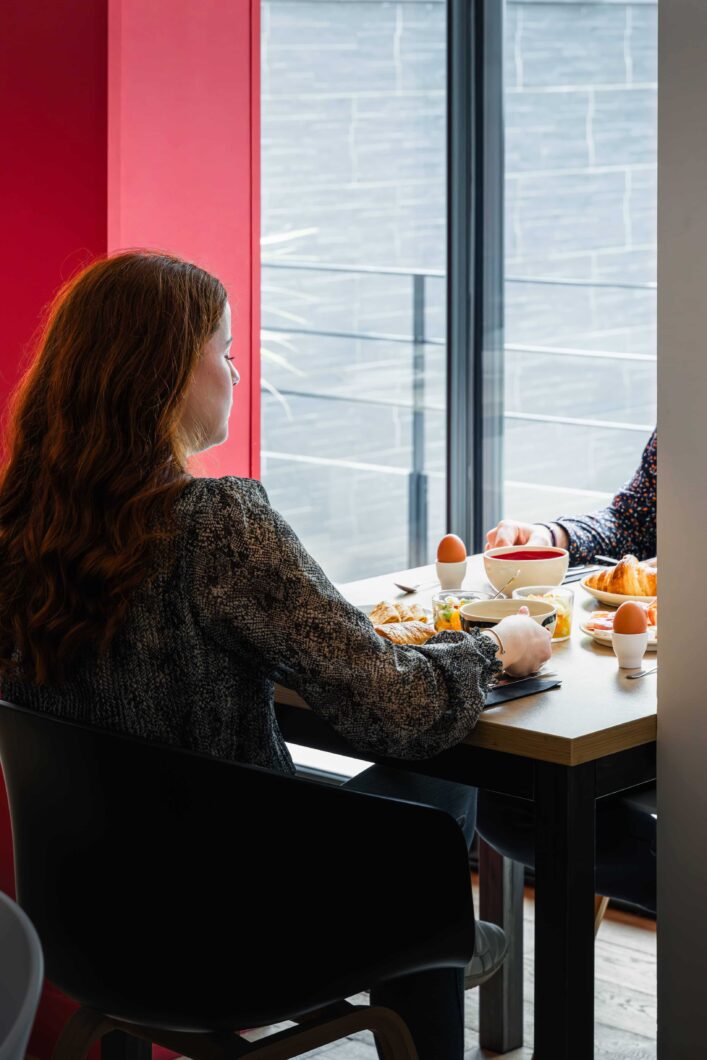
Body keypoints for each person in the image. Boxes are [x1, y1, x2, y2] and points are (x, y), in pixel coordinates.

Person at [0, 251, 551, 1060]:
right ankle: (434, 947)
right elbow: (396, 705)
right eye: (223, 351)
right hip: (243, 933)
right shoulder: (215, 522)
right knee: (436, 770)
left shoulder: (18, 528)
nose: (236, 370)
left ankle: (440, 934)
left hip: (88, 928)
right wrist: (492, 648)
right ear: (162, 377)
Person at [481, 431, 658, 914]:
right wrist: (551, 537)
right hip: (661, 693)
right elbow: (633, 518)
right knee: (511, 800)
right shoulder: (689, 405)